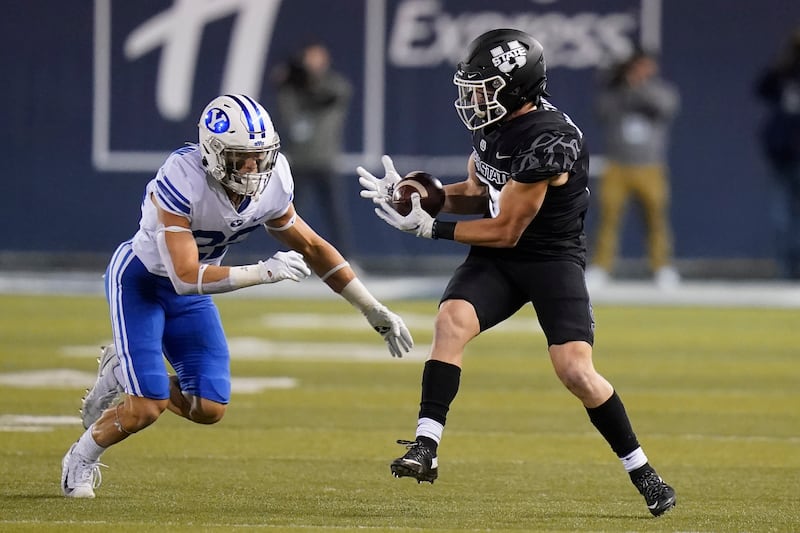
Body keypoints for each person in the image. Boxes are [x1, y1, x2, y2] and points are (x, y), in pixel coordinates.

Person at [357, 29, 676, 517]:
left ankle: (643, 470)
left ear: (516, 87)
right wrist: (422, 193)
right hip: (500, 261)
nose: (473, 98)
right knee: (451, 323)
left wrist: (431, 230)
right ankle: (426, 445)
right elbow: (480, 189)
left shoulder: (551, 140)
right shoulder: (498, 124)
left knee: (576, 371)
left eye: (483, 87)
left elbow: (506, 227)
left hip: (549, 258)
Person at [61, 94, 413, 499]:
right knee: (147, 406)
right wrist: (263, 272)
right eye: (239, 158)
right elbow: (184, 275)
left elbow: (314, 248)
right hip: (143, 282)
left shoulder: (274, 180)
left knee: (209, 408)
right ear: (212, 154)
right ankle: (81, 458)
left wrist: (370, 308)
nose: (252, 169)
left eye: (259, 157)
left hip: (190, 292)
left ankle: (122, 371)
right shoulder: (183, 176)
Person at [584, 49, 681, 290]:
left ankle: (662, 267)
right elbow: (602, 111)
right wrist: (621, 83)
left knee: (656, 218)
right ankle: (601, 266)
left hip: (650, 166)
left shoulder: (660, 90)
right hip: (617, 164)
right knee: (608, 217)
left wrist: (639, 85)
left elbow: (665, 107)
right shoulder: (616, 92)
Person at [272, 42, 355, 258]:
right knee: (289, 217)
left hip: (325, 159)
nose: (314, 62)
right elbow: (287, 114)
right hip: (298, 160)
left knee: (335, 216)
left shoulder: (334, 85)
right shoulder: (292, 87)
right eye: (310, 58)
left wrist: (305, 78)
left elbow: (327, 97)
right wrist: (291, 79)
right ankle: (287, 260)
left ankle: (345, 259)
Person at [755, 26, 800, 280]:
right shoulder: (785, 73)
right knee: (782, 215)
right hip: (783, 155)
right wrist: (785, 60)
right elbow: (762, 87)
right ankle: (787, 270)